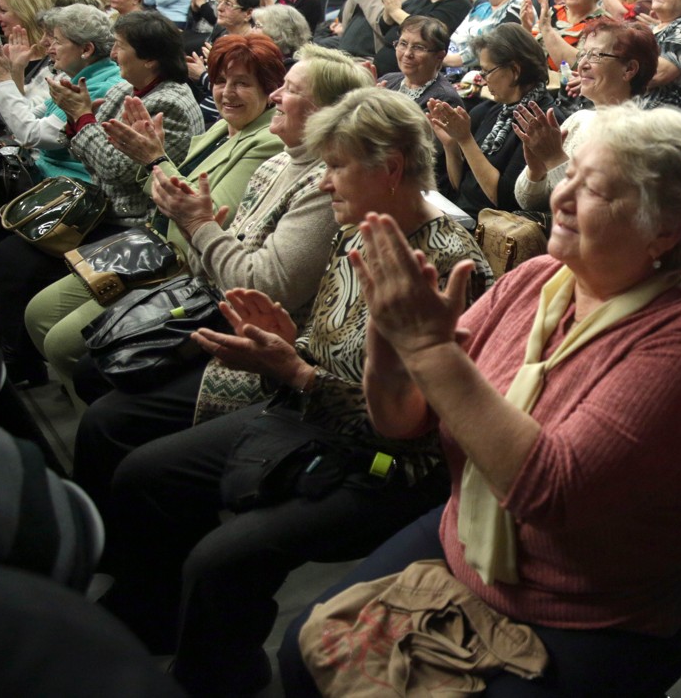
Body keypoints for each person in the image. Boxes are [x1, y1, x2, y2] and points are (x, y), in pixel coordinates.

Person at [277, 102, 681, 697]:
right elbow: (403, 422)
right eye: (567, 174)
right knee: (301, 654)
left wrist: (429, 351)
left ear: (665, 231)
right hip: (468, 538)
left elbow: (551, 491)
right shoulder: (534, 279)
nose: (561, 197)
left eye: (593, 189)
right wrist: (389, 337)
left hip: (589, 601)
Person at [98, 87, 491, 697]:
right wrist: (287, 345)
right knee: (143, 474)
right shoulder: (358, 231)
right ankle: (154, 618)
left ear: (389, 170)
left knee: (219, 563)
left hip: (393, 469)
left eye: (335, 167)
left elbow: (421, 428)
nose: (322, 183)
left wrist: (298, 372)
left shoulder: (447, 268)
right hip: (312, 412)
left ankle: (218, 675)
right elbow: (328, 345)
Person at [70, 45, 372, 509]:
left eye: (288, 90)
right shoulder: (278, 159)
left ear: (324, 113)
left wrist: (198, 224)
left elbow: (259, 284)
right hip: (210, 300)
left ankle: (128, 538)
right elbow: (218, 254)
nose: (273, 97)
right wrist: (200, 225)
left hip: (259, 337)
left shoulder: (320, 181)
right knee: (95, 365)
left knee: (108, 422)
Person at [25, 33, 287, 393]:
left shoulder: (268, 141)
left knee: (63, 345)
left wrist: (153, 160)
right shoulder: (223, 127)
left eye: (242, 83)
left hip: (181, 266)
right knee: (38, 312)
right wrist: (150, 159)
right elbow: (159, 182)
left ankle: (94, 410)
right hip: (149, 243)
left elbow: (205, 218)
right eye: (221, 81)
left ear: (271, 89)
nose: (227, 93)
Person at [0, 10, 202, 384]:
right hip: (104, 205)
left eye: (120, 47)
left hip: (134, 224)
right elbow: (88, 153)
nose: (114, 54)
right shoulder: (125, 87)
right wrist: (82, 120)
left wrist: (81, 118)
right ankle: (19, 360)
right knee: (10, 249)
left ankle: (22, 367)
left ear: (149, 59)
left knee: (13, 258)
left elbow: (112, 167)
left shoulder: (170, 102)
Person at [514, 18, 658, 211]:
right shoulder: (578, 119)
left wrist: (554, 159)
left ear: (629, 69)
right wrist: (536, 171)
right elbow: (526, 203)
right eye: (583, 54)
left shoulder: (640, 137)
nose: (582, 65)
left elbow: (593, 212)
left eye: (596, 55)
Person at [429, 23, 562, 215]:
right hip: (463, 217)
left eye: (487, 71)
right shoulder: (491, 109)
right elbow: (462, 188)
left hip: (494, 230)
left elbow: (505, 200)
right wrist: (451, 144)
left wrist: (466, 141)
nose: (483, 80)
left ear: (515, 70)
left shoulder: (542, 121)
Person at [0, 4, 122, 182]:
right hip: (48, 176)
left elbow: (32, 135)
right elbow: (24, 119)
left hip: (70, 187)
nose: (46, 45)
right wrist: (15, 71)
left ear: (86, 49)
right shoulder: (79, 77)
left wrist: (2, 78)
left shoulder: (101, 86)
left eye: (57, 40)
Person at [0, 0, 53, 136]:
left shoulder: (54, 63)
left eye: (3, 11)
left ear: (25, 13)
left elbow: (20, 118)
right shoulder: (2, 54)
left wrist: (9, 73)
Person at [440, 0, 524, 79]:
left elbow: (492, 47)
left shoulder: (518, 5)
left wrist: (447, 60)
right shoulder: (482, 6)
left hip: (490, 78)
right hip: (454, 73)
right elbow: (456, 38)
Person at [376, 15, 464, 112]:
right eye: (403, 44)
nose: (407, 53)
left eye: (418, 47)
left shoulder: (444, 100)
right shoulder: (387, 80)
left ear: (439, 56)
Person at [534, 0, 605, 70]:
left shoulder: (603, 24)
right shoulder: (553, 12)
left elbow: (581, 66)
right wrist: (526, 27)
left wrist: (547, 30)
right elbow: (529, 53)